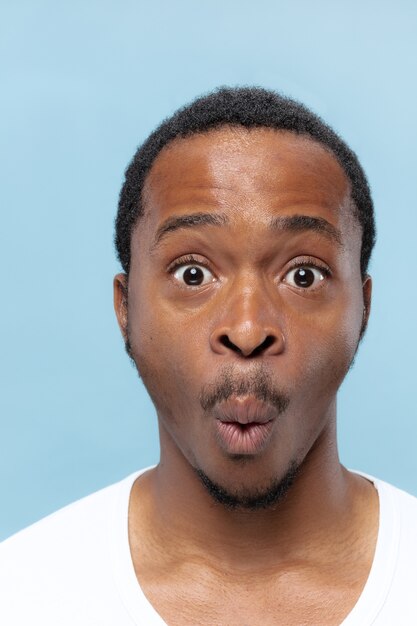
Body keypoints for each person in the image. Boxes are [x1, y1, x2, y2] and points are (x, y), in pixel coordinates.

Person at [1, 87, 416, 626]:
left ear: (363, 308)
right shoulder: (21, 595)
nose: (247, 330)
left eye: (304, 275)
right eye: (192, 273)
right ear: (126, 309)